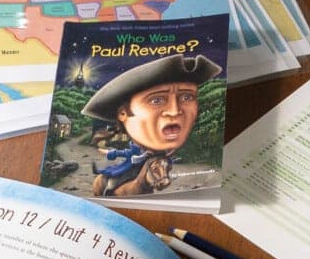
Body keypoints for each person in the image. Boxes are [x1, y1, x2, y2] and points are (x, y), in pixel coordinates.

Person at [84, 51, 219, 192]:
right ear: (123, 113)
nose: (174, 111)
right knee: (111, 184)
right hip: (130, 172)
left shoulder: (163, 155)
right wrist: (109, 153)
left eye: (186, 97)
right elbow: (125, 154)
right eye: (156, 100)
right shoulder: (136, 149)